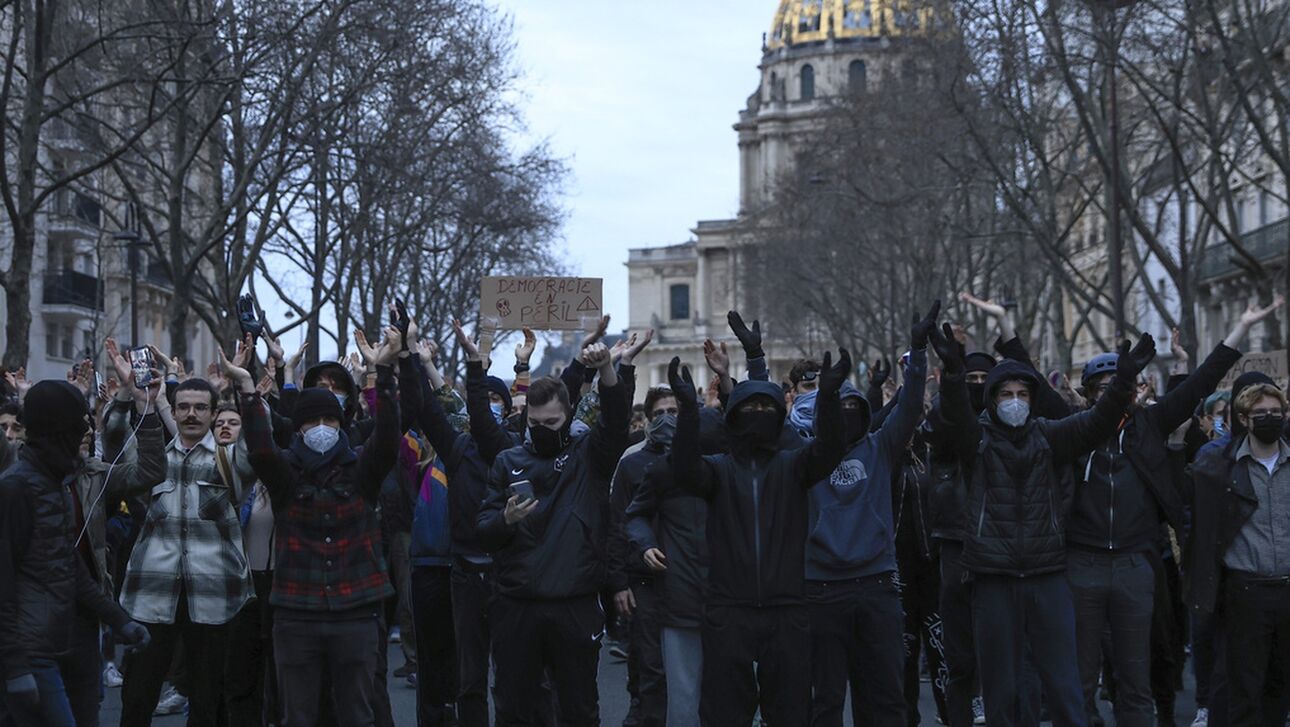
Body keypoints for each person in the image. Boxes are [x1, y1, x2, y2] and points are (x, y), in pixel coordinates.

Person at [1067, 303, 1276, 727]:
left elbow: (1202, 382)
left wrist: (1241, 326)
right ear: (1087, 395)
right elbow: (1028, 385)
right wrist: (1005, 330)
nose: (1112, 394)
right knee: (1080, 676)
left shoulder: (1151, 424)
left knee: (1137, 674)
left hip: (1136, 560)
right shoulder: (1073, 431)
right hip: (1083, 562)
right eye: (1102, 388)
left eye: (1119, 385)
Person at [939, 328, 1158, 727]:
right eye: (1006, 394)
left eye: (1023, 394)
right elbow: (954, 416)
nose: (1015, 401)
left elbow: (1097, 423)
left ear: (1033, 399)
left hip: (1047, 576)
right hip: (993, 577)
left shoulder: (1050, 436)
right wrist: (953, 373)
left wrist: (1124, 381)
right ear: (992, 400)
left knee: (1064, 687)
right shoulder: (978, 441)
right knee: (1000, 690)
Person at [668, 345, 852, 726]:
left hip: (787, 611)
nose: (758, 414)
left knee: (791, 713)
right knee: (723, 713)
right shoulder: (717, 470)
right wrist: (687, 411)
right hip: (727, 611)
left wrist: (829, 398)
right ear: (734, 417)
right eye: (749, 408)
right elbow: (683, 469)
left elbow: (831, 448)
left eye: (767, 408)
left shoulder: (795, 465)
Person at [234, 327, 404, 727]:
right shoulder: (285, 475)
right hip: (298, 614)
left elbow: (387, 439)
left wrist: (383, 374)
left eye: (330, 419)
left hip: (356, 612)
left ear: (342, 423)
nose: (322, 427)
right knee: (298, 715)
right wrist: (247, 390)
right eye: (312, 421)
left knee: (357, 714)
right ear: (299, 428)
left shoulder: (361, 469)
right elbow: (260, 449)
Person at [476, 342, 630, 727]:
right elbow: (483, 532)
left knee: (578, 709)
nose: (543, 431)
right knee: (514, 709)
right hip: (517, 605)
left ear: (568, 416)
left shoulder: (589, 455)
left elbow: (615, 421)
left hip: (574, 602)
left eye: (552, 423)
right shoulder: (507, 461)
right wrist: (505, 519)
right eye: (535, 424)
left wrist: (607, 369)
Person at [803, 305, 939, 727]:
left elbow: (910, 406)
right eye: (837, 408)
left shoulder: (881, 447)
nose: (846, 415)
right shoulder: (806, 456)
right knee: (825, 701)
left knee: (884, 698)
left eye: (853, 407)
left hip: (877, 585)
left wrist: (918, 351)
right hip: (822, 590)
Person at [0, 380, 151, 727]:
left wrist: (119, 619)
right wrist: (15, 666)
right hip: (29, 654)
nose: (86, 430)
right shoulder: (15, 489)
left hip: (55, 644)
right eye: (78, 422)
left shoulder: (55, 483)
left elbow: (68, 565)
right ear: (58, 430)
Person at [117, 363, 258, 727]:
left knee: (207, 704)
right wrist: (130, 395)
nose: (191, 414)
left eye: (200, 407)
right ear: (174, 411)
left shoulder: (229, 459)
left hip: (214, 595)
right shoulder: (153, 458)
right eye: (183, 407)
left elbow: (259, 440)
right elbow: (114, 442)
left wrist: (246, 385)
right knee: (136, 698)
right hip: (152, 593)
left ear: (213, 413)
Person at [1185, 381, 1290, 727]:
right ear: (1243, 419)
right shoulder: (1220, 466)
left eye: (1276, 412)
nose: (1270, 418)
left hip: (1287, 590)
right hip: (1245, 592)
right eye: (1261, 413)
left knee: (1279, 690)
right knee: (1243, 690)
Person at [608, 385, 678, 727]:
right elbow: (617, 524)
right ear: (648, 420)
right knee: (649, 663)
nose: (666, 419)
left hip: (689, 577)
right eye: (659, 414)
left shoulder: (700, 459)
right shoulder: (631, 465)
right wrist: (618, 582)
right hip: (643, 579)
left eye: (673, 412)